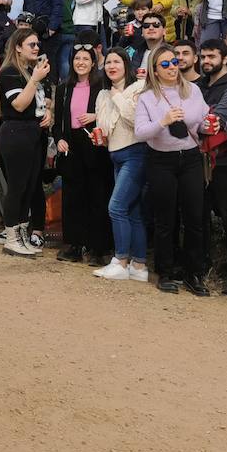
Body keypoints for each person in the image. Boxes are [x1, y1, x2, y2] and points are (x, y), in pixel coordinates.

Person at [134, 44, 210, 295]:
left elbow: (201, 123)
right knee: (165, 219)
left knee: (195, 217)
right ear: (155, 71)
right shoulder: (146, 97)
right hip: (160, 159)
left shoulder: (193, 90)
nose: (172, 68)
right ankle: (165, 271)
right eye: (165, 64)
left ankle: (194, 273)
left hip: (189, 158)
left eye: (174, 62)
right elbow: (141, 132)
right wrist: (163, 121)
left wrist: (211, 125)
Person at [0, 28, 52, 257]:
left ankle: (21, 234)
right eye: (31, 44)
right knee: (17, 187)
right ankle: (11, 237)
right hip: (15, 133)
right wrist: (35, 79)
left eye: (38, 44)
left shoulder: (31, 72)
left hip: (34, 133)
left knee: (29, 187)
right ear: (18, 47)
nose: (36, 48)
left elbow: (40, 103)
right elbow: (18, 104)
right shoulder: (9, 72)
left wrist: (48, 113)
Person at [52, 41, 111, 265]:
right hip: (71, 145)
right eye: (77, 59)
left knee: (97, 195)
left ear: (94, 62)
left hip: (94, 143)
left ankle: (99, 247)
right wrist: (59, 139)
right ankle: (74, 245)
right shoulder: (63, 88)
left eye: (86, 59)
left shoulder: (102, 86)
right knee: (72, 197)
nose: (81, 62)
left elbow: (109, 111)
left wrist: (95, 116)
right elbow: (58, 123)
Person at [92, 49, 148, 281]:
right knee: (132, 211)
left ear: (126, 64)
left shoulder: (139, 87)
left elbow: (135, 120)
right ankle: (139, 265)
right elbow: (103, 126)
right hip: (114, 153)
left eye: (117, 61)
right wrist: (99, 135)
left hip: (136, 152)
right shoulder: (102, 94)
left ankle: (121, 260)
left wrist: (118, 97)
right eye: (108, 62)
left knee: (116, 207)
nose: (111, 66)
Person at [197, 39, 227, 289]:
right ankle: (202, 264)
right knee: (200, 214)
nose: (206, 61)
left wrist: (198, 116)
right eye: (203, 57)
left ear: (225, 58)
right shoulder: (200, 85)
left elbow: (218, 117)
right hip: (201, 159)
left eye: (211, 57)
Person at [21, 0, 65, 64]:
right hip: (33, 31)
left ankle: (50, 81)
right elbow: (26, 8)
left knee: (48, 62)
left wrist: (52, 27)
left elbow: (58, 7)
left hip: (49, 32)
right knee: (34, 61)